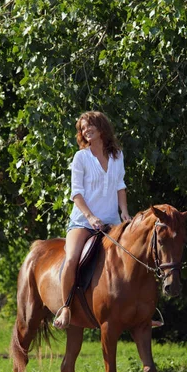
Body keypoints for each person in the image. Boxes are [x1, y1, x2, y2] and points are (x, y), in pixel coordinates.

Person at [53, 111, 132, 329]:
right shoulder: (81, 158)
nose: (86, 130)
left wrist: (124, 212)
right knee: (71, 260)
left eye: (90, 126)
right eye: (83, 128)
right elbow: (76, 193)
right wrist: (90, 216)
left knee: (134, 258)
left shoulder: (117, 156)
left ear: (101, 127)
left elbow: (120, 186)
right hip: (83, 222)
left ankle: (139, 311)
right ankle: (66, 308)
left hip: (112, 221)